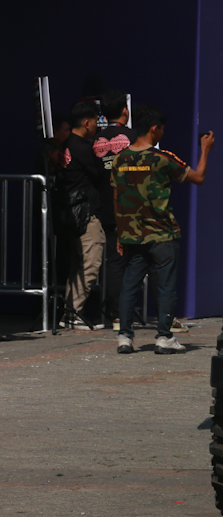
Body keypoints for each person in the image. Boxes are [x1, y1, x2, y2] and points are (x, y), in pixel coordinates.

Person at [112, 105, 214, 354]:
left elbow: (116, 197)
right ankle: (164, 337)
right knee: (166, 285)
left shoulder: (120, 159)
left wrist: (120, 233)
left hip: (132, 235)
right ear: (154, 128)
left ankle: (124, 336)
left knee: (129, 285)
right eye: (162, 129)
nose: (162, 134)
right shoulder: (163, 159)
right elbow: (198, 177)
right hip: (161, 235)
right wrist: (205, 149)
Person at [57, 99, 107, 329]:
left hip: (72, 215)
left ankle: (70, 314)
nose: (98, 126)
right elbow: (100, 175)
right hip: (86, 214)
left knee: (78, 265)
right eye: (96, 121)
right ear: (87, 123)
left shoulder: (67, 145)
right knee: (90, 262)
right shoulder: (83, 148)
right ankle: (74, 313)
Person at [93, 91, 137, 330]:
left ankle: (118, 313)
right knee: (140, 259)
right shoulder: (135, 137)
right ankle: (125, 312)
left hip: (106, 207)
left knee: (114, 260)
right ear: (125, 111)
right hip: (133, 207)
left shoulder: (95, 140)